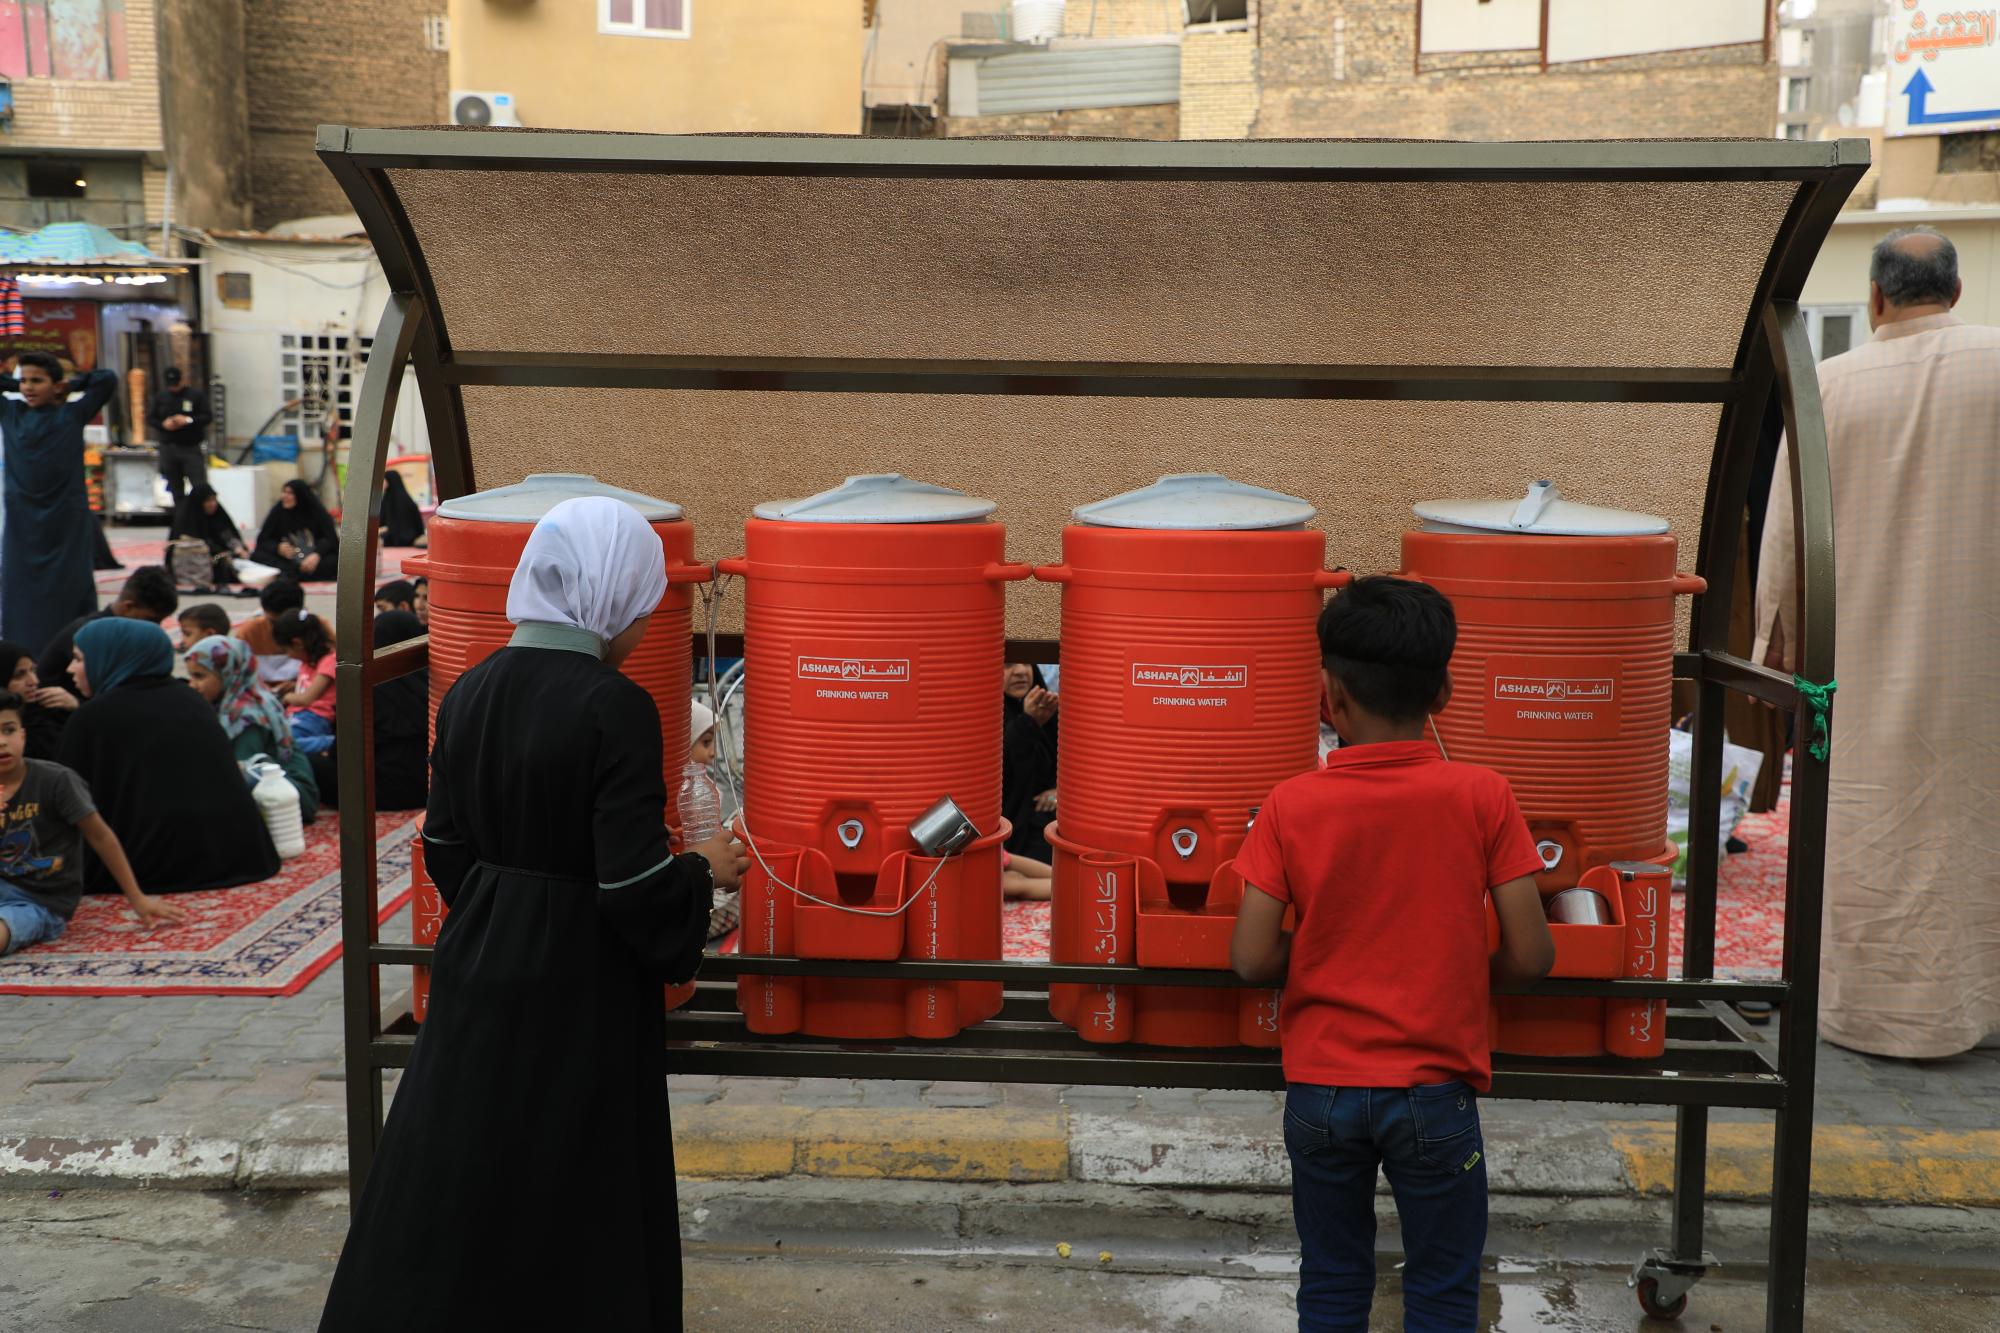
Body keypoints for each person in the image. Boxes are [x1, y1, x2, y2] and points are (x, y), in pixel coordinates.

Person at [319, 495, 745, 1331]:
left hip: (480, 960)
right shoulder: (616, 704)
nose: (641, 624)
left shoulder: (470, 689)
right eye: (641, 603)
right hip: (579, 983)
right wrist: (703, 868)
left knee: (465, 1167)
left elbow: (445, 847)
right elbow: (632, 887)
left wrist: (506, 902)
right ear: (608, 595)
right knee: (574, 1181)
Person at [1230, 576, 1554, 1331]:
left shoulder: (1290, 803)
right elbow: (1533, 953)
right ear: (1443, 692)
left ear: (1331, 696)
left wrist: (1326, 950)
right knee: (1443, 1289)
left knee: (1332, 1279)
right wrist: (1462, 968)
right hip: (1435, 1093)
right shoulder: (1483, 795)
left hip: (1321, 1092)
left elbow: (1249, 956)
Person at [1755, 226, 2000, 1060]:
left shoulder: (1829, 384)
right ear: (1956, 292)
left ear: (1874, 299)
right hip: (1982, 664)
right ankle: (1980, 1004)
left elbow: (1786, 541)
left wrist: (1779, 659)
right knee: (1980, 827)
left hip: (1860, 661)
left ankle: (1871, 1010)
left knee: (1869, 836)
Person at [56, 618, 278, 894]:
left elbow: (64, 804)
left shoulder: (93, 718)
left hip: (143, 865)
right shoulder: (192, 701)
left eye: (79, 659)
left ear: (109, 658)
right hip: (235, 854)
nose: (70, 669)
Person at [0, 691, 187, 956]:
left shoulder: (56, 781)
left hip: (38, 900)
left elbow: (101, 836)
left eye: (8, 730)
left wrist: (137, 898)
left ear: (23, 734)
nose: (2, 742)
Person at [0, 352, 120, 653]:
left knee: (70, 588)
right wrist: (15, 386)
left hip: (65, 519)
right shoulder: (11, 412)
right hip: (23, 523)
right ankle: (24, 655)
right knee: (21, 592)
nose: (28, 387)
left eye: (37, 381)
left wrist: (71, 385)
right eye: (24, 381)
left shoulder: (72, 414)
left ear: (56, 385)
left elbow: (107, 379)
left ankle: (71, 652)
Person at [184, 635, 319, 823]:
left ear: (228, 672)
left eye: (200, 676)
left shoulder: (249, 715)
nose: (192, 685)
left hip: (292, 798)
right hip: (273, 791)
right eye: (190, 676)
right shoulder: (225, 704)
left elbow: (241, 773)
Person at [310, 610, 428, 814]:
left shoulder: (370, 688)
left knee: (309, 763)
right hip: (429, 787)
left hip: (378, 791)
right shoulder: (434, 681)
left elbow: (344, 751)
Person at [35, 565, 179, 688]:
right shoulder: (92, 635)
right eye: (151, 620)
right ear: (128, 607)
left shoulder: (124, 633)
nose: (156, 627)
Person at [1002, 662, 1058, 862]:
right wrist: (1027, 723)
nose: (1020, 671)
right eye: (1007, 665)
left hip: (1049, 821)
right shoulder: (977, 719)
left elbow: (1077, 765)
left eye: (1026, 663)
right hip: (1008, 832)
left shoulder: (1050, 711)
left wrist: (1059, 791)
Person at [273, 609, 337, 755]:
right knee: (276, 739)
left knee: (286, 745)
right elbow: (311, 687)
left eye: (286, 650)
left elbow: (306, 699)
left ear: (297, 644)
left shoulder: (329, 661)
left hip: (314, 717)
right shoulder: (308, 662)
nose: (288, 655)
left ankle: (331, 743)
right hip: (298, 715)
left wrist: (287, 697)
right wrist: (293, 686)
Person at [251, 479, 340, 583]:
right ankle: (295, 573)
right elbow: (263, 540)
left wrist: (316, 554)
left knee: (334, 561)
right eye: (284, 492)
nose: (284, 496)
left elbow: (330, 538)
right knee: (257, 556)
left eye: (290, 493)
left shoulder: (316, 511)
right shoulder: (278, 511)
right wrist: (278, 548)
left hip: (314, 557)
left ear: (300, 496)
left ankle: (295, 574)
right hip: (288, 559)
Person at [146, 366, 211, 505]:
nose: (174, 388)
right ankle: (180, 514)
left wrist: (187, 420)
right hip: (168, 447)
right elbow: (151, 419)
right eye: (171, 385)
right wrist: (163, 424)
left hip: (190, 447)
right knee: (175, 488)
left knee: (199, 485)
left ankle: (200, 514)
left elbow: (207, 417)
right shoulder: (161, 397)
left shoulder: (195, 396)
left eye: (176, 384)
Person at [0, 640, 75, 760]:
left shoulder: (50, 709)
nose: (34, 681)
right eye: (19, 675)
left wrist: (77, 707)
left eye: (33, 670)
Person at [167, 484, 248, 590]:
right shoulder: (187, 521)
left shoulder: (218, 516)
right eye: (208, 501)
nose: (213, 504)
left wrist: (238, 548)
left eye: (214, 500)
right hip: (198, 564)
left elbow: (228, 536)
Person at [234, 579, 307, 689]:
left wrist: (300, 685)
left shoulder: (315, 630)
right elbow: (235, 673)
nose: (280, 629)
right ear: (264, 610)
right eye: (274, 622)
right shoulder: (248, 633)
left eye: (287, 623)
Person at [380, 470, 426, 548]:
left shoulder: (388, 501)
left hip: (391, 542)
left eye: (384, 480)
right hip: (412, 541)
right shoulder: (408, 500)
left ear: (389, 481)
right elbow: (419, 525)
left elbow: (383, 523)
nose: (382, 483)